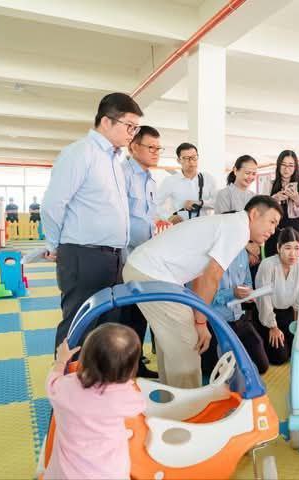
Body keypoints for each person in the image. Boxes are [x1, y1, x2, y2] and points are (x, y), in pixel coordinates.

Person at [123, 196, 281, 388]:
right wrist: (200, 322)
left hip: (146, 269)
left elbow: (201, 275)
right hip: (151, 273)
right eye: (272, 222)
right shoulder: (238, 228)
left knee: (172, 344)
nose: (273, 230)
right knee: (188, 343)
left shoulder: (228, 224)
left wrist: (199, 317)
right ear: (254, 214)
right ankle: (189, 403)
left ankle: (172, 396)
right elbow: (211, 277)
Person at [42, 92, 143, 348]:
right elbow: (53, 204)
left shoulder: (115, 161)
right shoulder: (80, 153)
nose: (133, 133)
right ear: (106, 121)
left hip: (113, 257)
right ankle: (65, 374)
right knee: (79, 326)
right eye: (129, 126)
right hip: (83, 255)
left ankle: (98, 376)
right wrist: (54, 245)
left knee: (107, 330)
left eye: (136, 128)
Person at [45, 324, 145, 480]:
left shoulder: (65, 386)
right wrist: (125, 382)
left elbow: (51, 382)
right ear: (131, 369)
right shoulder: (125, 397)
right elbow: (140, 405)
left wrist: (61, 361)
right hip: (109, 472)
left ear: (84, 358)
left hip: (67, 473)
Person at [121, 125, 165, 378]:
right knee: (123, 314)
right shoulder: (123, 174)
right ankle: (122, 368)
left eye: (159, 148)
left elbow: (148, 218)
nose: (156, 152)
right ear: (134, 147)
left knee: (140, 312)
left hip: (143, 257)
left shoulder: (150, 180)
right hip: (123, 256)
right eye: (151, 147)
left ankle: (136, 363)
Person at [210, 242, 269, 374]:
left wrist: (248, 294)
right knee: (223, 371)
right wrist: (232, 293)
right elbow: (203, 297)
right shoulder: (210, 257)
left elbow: (247, 282)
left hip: (239, 318)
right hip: (217, 322)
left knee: (262, 365)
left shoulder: (242, 253)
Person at [255, 227, 299, 365]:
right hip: (267, 315)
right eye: (287, 248)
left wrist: (298, 327)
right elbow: (264, 300)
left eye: (297, 248)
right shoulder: (267, 265)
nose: (293, 254)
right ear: (279, 248)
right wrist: (272, 327)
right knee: (280, 357)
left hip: (288, 314)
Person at [261, 150, 299, 258]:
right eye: (283, 165)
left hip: (294, 232)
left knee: (294, 263)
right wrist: (275, 199)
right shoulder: (269, 184)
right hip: (273, 232)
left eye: (291, 165)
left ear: (295, 167)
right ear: (278, 165)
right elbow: (262, 211)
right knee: (272, 263)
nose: (287, 169)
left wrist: (297, 200)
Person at [156, 142, 217, 224]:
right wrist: (169, 217)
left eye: (194, 157)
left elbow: (217, 203)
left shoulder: (208, 178)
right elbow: (155, 204)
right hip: (181, 227)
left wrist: (200, 203)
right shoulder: (170, 181)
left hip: (205, 226)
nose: (191, 161)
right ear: (179, 160)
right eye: (186, 158)